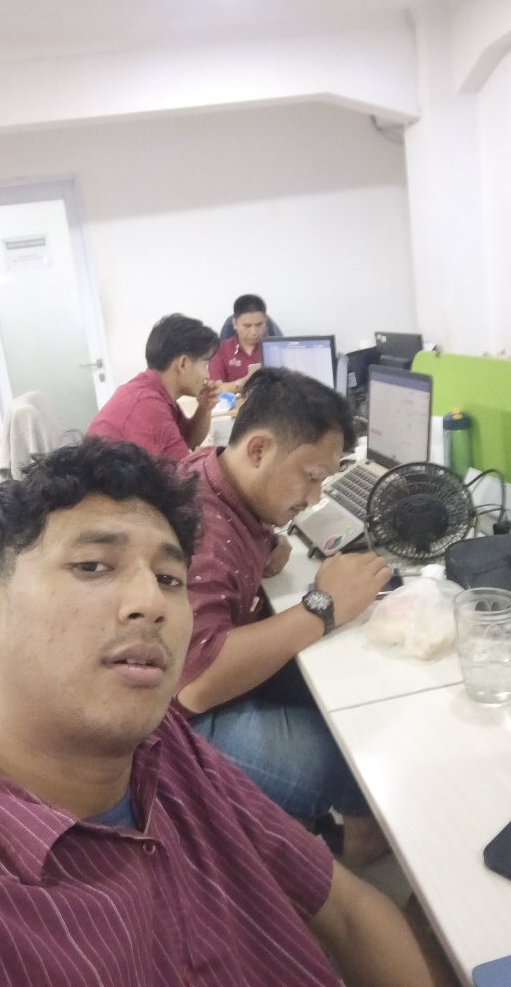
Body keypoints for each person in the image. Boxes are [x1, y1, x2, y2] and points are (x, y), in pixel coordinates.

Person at [0, 438, 456, 987]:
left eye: (169, 578)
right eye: (92, 566)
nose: (151, 602)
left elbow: (348, 913)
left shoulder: (166, 748)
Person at [177, 367, 391, 867]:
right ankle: (358, 837)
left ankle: (323, 819)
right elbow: (196, 686)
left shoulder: (215, 471)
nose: (315, 498)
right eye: (311, 477)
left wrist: (264, 543)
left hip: (199, 676)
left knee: (345, 688)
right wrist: (322, 605)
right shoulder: (204, 531)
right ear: (258, 450)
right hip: (174, 725)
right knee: (352, 753)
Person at [87, 312, 220, 460]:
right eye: (205, 365)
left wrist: (204, 407)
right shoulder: (147, 405)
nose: (208, 375)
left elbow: (189, 440)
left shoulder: (156, 392)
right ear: (183, 364)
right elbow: (184, 471)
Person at [209, 293, 269, 394]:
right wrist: (244, 383)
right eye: (247, 326)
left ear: (265, 322)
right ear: (235, 323)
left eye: (259, 324)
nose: (254, 332)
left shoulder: (275, 348)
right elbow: (215, 389)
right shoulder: (220, 350)